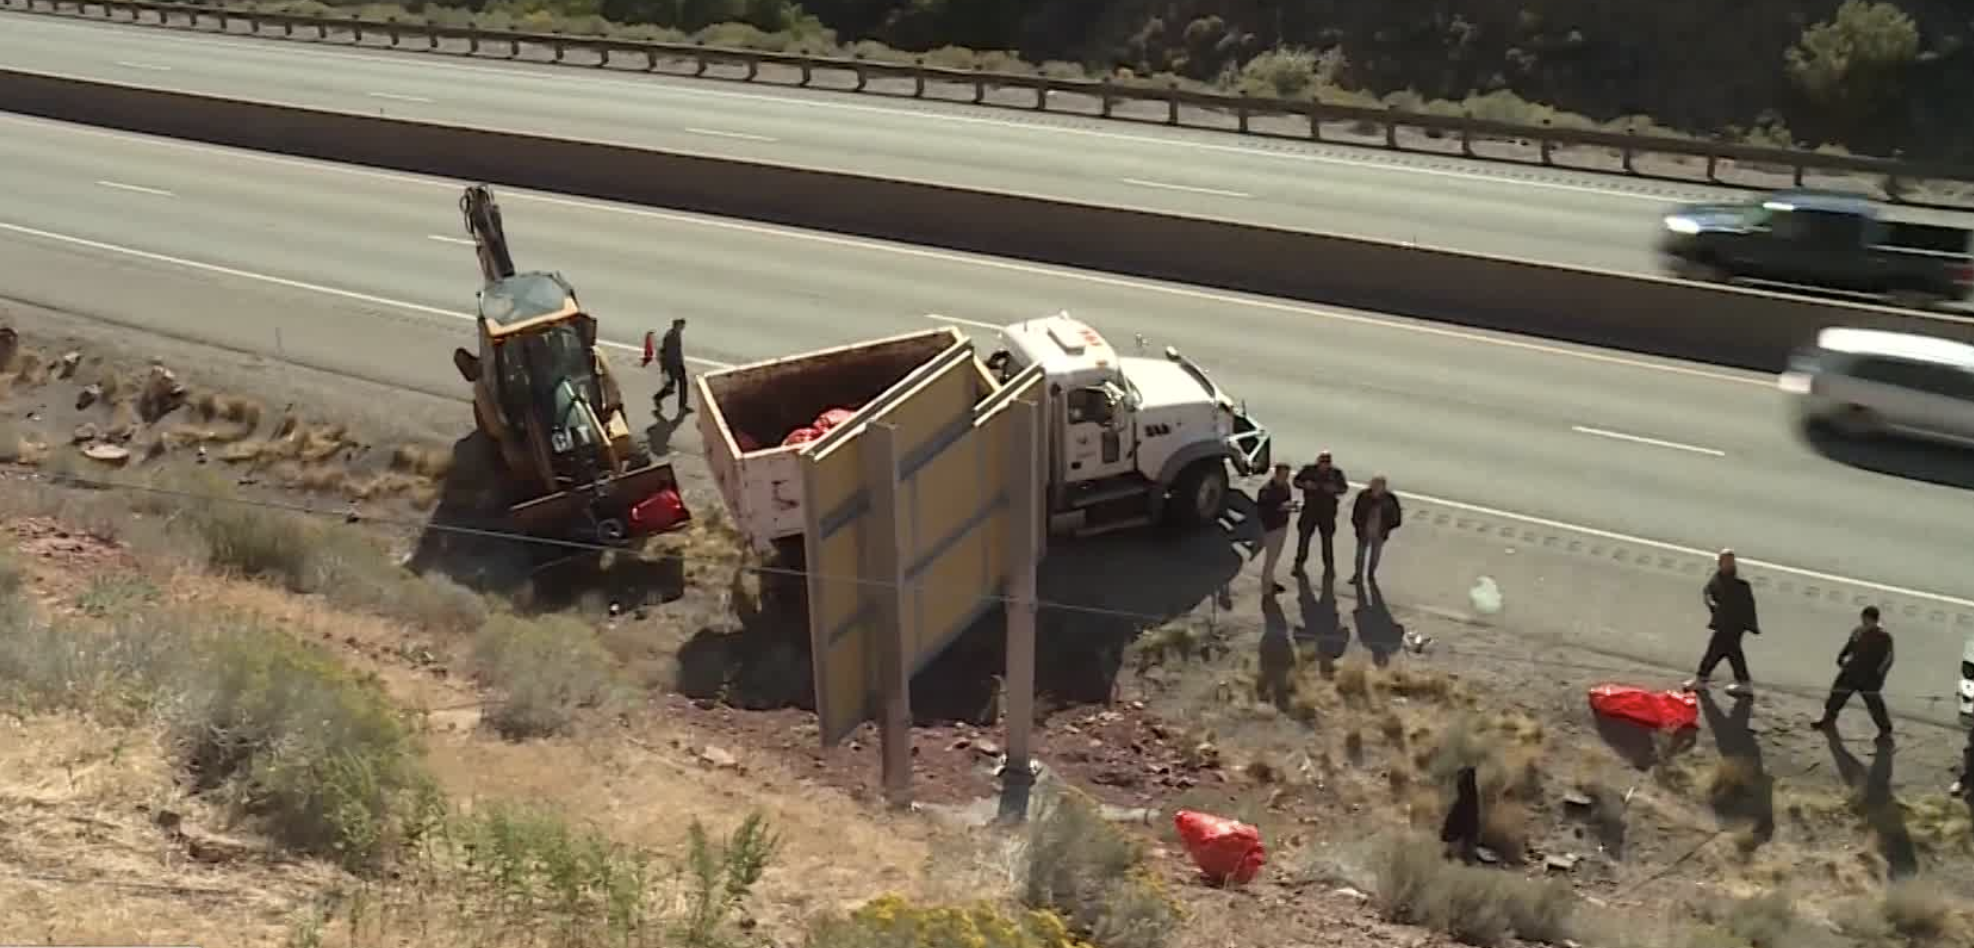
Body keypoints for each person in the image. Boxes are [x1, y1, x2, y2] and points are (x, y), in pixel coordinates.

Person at [1811, 606, 1895, 742]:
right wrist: (1841, 656)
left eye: (1866, 619)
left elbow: (1888, 659)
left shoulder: (1884, 636)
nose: (1864, 621)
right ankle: (1828, 720)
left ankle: (1885, 732)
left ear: (1873, 619)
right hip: (1851, 671)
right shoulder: (1859, 631)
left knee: (1875, 705)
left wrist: (1879, 677)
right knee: (1836, 694)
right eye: (1863, 618)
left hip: (1870, 677)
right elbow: (1850, 645)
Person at [1684, 549, 1760, 697]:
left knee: (1715, 650)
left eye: (1728, 561)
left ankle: (1701, 679)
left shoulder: (1739, 582)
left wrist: (1740, 624)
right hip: (1726, 621)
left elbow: (1744, 605)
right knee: (1733, 653)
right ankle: (1744, 683)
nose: (1725, 564)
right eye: (1723, 561)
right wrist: (1712, 603)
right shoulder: (1720, 576)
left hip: (1733, 623)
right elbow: (1708, 590)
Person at [1292, 451, 1348, 577]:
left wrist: (1334, 489)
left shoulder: (1336, 473)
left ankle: (1329, 567)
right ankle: (1298, 564)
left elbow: (1344, 488)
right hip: (1310, 511)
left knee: (1327, 541)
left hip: (1327, 513)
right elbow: (1296, 482)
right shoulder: (1309, 470)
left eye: (1327, 462)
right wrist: (1305, 484)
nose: (1324, 464)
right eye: (1322, 461)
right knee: (1304, 539)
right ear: (1318, 461)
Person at [1347, 476, 1401, 587]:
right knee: (1360, 555)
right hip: (1364, 531)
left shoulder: (1390, 499)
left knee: (1375, 555)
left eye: (1378, 486)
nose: (1375, 488)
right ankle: (1358, 575)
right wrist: (1358, 526)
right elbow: (1356, 513)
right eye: (1374, 485)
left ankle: (1370, 574)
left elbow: (1396, 518)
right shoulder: (1364, 496)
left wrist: (1387, 528)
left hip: (1379, 532)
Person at [1255, 463, 1295, 596]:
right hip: (1271, 529)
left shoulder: (1285, 487)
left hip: (1282, 525)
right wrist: (1281, 507)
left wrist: (1291, 506)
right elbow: (1263, 511)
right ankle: (1266, 589)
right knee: (1270, 559)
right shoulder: (1266, 490)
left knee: (1275, 557)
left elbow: (1286, 502)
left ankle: (1270, 581)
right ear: (1276, 474)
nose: (1285, 478)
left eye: (1287, 476)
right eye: (1283, 476)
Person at [1439, 766, 1481, 863]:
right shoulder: (1469, 799)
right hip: (1463, 832)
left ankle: (1460, 857)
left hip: (1462, 833)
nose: (1457, 782)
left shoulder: (1467, 800)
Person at [653, 318, 689, 415]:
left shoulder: (676, 334)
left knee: (675, 386)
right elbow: (667, 354)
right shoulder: (670, 337)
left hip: (677, 364)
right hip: (672, 366)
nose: (683, 327)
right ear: (676, 326)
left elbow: (677, 351)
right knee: (679, 385)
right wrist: (668, 368)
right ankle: (682, 406)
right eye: (682, 325)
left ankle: (658, 398)